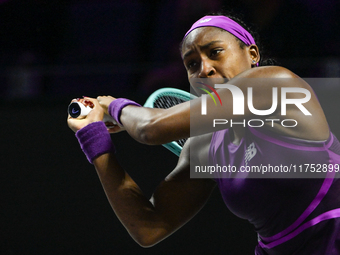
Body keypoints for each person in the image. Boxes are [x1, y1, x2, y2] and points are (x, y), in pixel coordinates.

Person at [67, 13, 340, 254]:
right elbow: (149, 226)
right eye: (192, 64)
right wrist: (96, 141)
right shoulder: (206, 145)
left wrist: (111, 105)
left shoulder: (275, 84)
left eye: (215, 52)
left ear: (252, 55)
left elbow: (150, 128)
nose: (204, 69)